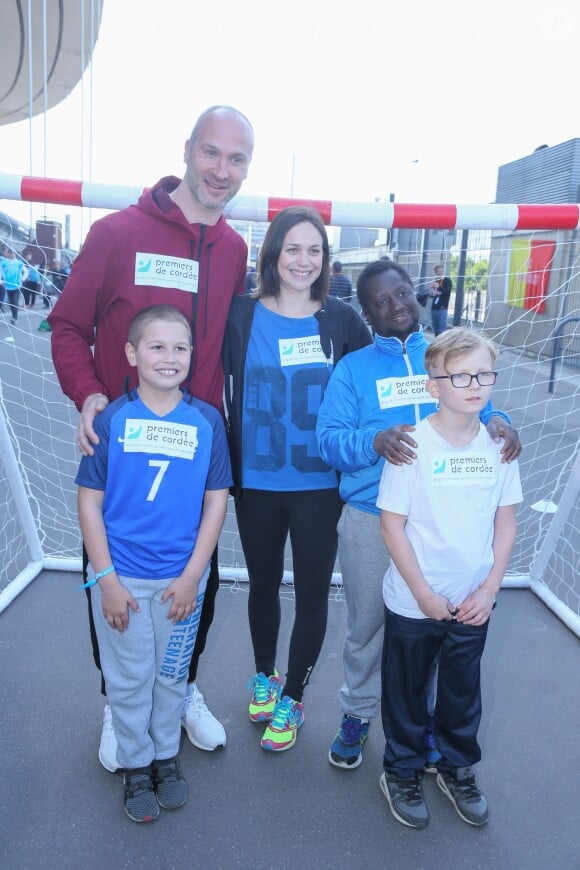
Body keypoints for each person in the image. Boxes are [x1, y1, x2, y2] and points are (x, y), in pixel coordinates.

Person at [48, 105, 255, 771]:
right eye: (212, 154)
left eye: (237, 159)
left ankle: (180, 688)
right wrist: (88, 394)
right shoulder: (117, 233)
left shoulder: (234, 249)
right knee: (113, 583)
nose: (222, 171)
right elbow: (66, 327)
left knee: (198, 582)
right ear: (187, 151)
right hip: (127, 456)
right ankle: (120, 701)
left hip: (196, 449)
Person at [316, 258, 521, 771]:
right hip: (371, 517)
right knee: (367, 627)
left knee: (433, 629)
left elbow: (477, 396)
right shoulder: (354, 369)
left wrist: (502, 422)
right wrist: (374, 440)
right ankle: (358, 715)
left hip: (439, 522)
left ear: (416, 292)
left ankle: (423, 722)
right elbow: (329, 441)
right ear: (366, 313)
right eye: (380, 302)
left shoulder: (443, 355)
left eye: (401, 294)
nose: (395, 307)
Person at [222, 206, 371, 752]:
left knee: (312, 593)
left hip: (318, 487)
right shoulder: (239, 315)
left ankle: (295, 697)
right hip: (256, 482)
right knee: (261, 585)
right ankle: (266, 674)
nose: (303, 260)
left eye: (315, 250)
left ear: (326, 260)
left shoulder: (342, 320)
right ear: (273, 254)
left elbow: (376, 379)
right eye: (293, 249)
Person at [76, 305, 231, 822]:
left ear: (192, 354)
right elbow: (89, 503)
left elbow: (216, 501)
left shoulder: (207, 420)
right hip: (123, 578)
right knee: (127, 677)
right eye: (157, 346)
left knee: (171, 676)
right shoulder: (113, 419)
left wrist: (193, 576)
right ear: (132, 353)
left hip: (179, 582)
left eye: (180, 347)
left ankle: (166, 756)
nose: (169, 357)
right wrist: (106, 580)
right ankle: (135, 764)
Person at [377, 326, 522, 829]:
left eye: (483, 372)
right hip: (414, 602)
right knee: (407, 693)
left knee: (462, 693)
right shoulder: (411, 446)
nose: (474, 383)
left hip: (473, 602)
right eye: (460, 375)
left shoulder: (499, 446)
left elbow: (506, 521)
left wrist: (489, 589)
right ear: (434, 386)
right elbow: (391, 525)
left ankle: (456, 767)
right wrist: (422, 593)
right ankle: (401, 769)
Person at [0, 248, 27, 325]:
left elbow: (25, 271)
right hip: (8, 286)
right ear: (8, 254)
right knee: (11, 302)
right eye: (11, 253)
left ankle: (15, 318)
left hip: (17, 285)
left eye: (14, 253)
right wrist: (1, 281)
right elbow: (0, 272)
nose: (12, 255)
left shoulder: (19, 263)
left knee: (15, 301)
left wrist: (23, 278)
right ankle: (13, 316)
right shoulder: (4, 263)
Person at [428, 263, 453, 336]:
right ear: (436, 272)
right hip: (434, 308)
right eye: (438, 271)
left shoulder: (447, 280)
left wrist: (438, 287)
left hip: (442, 308)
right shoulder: (435, 281)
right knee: (435, 329)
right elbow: (432, 295)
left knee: (441, 330)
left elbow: (447, 292)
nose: (440, 273)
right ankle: (437, 346)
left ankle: (442, 346)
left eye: (442, 271)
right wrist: (432, 293)